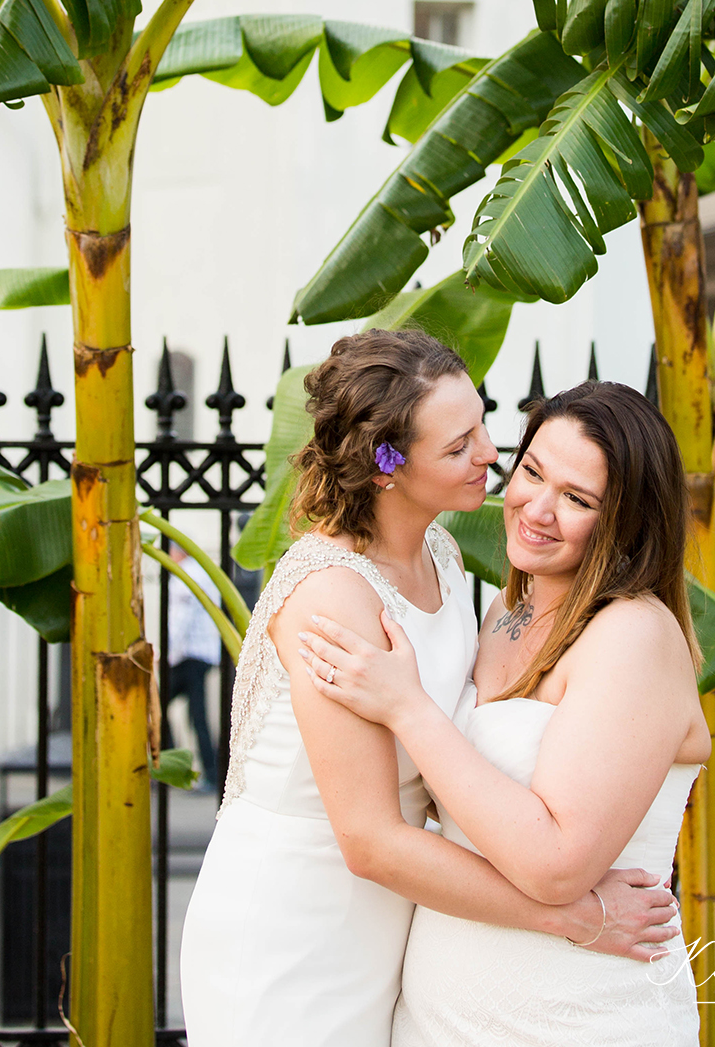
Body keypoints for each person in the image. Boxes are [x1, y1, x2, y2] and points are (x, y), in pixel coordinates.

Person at [180, 337, 682, 1047]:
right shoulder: (332, 594)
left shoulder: (444, 558)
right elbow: (369, 839)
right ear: (389, 465)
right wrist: (568, 916)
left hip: (396, 919)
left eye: (483, 427)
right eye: (457, 447)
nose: (489, 455)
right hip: (300, 921)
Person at [300, 377, 711, 1045]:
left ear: (627, 520)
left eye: (577, 499)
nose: (537, 509)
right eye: (533, 472)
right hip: (440, 1019)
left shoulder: (634, 634)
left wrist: (408, 708)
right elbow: (469, 806)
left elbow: (557, 864)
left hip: (577, 1018)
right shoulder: (504, 613)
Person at [163, 545, 221, 794]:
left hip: (188, 655)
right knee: (195, 716)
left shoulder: (186, 574)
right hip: (201, 654)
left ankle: (171, 768)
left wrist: (166, 655)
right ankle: (204, 772)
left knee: (158, 708)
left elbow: (180, 621)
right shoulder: (199, 572)